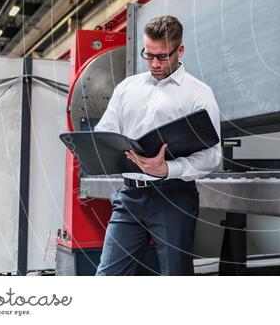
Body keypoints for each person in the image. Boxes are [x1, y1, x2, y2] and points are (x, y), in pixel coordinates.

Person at [94, 15, 221, 276]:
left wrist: (169, 169)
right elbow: (104, 130)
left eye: (162, 56)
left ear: (180, 50)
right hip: (129, 196)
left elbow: (212, 156)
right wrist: (105, 146)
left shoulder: (199, 93)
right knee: (107, 277)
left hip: (173, 197)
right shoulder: (127, 88)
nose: (154, 63)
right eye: (148, 54)